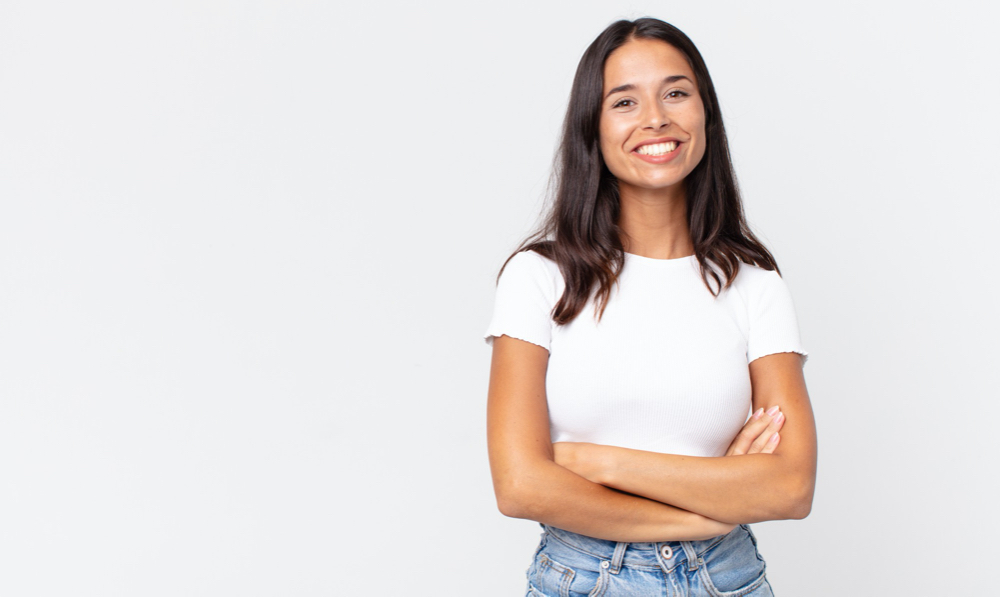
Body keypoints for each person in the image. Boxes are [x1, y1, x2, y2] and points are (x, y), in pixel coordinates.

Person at [482, 17, 817, 597]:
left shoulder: (754, 284)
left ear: (704, 113)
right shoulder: (539, 277)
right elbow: (520, 485)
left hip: (727, 579)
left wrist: (593, 461)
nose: (655, 117)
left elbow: (789, 488)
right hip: (586, 579)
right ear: (593, 127)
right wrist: (711, 506)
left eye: (676, 93)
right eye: (624, 102)